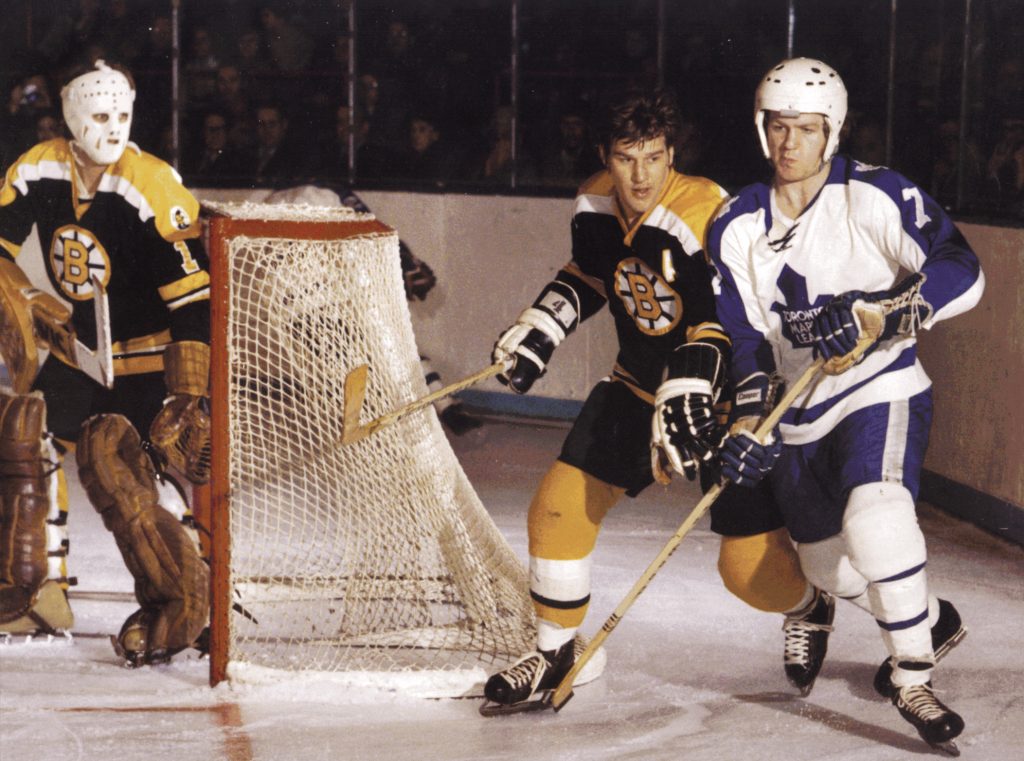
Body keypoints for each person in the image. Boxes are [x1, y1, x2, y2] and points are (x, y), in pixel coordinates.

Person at [481, 88, 826, 713]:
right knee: (556, 509)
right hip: (636, 384)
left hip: (725, 405)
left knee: (748, 573)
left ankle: (810, 607)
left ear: (673, 155)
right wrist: (544, 323)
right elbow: (592, 273)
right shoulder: (592, 200)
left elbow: (728, 318)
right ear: (606, 158)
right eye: (626, 158)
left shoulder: (704, 210)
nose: (641, 176)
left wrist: (692, 380)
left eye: (654, 157)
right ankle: (559, 650)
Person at [707, 57, 983, 753]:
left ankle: (913, 673)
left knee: (877, 516)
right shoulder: (735, 222)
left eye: (805, 128)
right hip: (799, 412)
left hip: (878, 387)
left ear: (831, 131)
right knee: (829, 567)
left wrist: (882, 316)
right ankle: (931, 620)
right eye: (777, 126)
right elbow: (744, 338)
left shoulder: (876, 195)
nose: (789, 142)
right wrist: (747, 417)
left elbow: (961, 270)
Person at [0, 60, 211, 667]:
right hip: (80, 353)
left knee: (119, 468)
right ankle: (35, 589)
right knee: (23, 435)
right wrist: (28, 294)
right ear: (71, 117)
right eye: (99, 115)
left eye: (122, 114)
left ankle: (187, 601)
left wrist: (188, 391)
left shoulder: (151, 185)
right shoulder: (38, 167)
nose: (113, 127)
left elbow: (193, 298)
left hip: (149, 361)